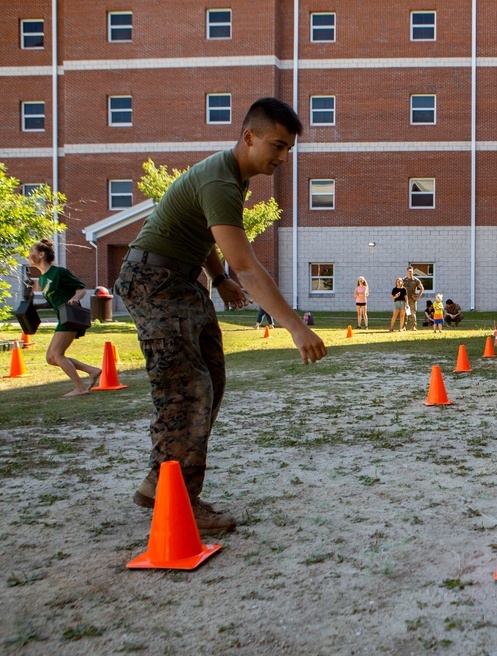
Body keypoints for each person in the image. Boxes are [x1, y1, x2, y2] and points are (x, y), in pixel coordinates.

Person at [115, 97, 327, 534]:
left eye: (289, 149)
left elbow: (203, 233)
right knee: (187, 389)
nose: (283, 157)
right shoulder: (221, 182)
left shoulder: (229, 178)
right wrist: (295, 325)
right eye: (277, 146)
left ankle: (164, 483)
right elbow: (249, 265)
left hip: (181, 281)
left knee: (211, 378)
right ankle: (178, 502)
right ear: (248, 137)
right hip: (154, 282)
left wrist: (218, 276)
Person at [27, 239, 102, 397]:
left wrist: (75, 299)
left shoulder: (58, 272)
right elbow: (54, 301)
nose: (28, 256)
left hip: (70, 317)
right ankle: (92, 370)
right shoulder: (42, 278)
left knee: (56, 355)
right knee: (51, 358)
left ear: (41, 254)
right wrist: (36, 306)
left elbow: (81, 289)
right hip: (62, 318)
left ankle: (80, 388)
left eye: (31, 252)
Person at [402, 266, 424, 332]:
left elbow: (422, 288)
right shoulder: (403, 280)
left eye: (411, 271)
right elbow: (399, 288)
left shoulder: (416, 280)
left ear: (413, 272)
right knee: (404, 313)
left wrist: (417, 297)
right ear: (407, 272)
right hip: (404, 298)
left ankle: (413, 326)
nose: (410, 273)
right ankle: (403, 327)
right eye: (409, 271)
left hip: (412, 299)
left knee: (412, 313)